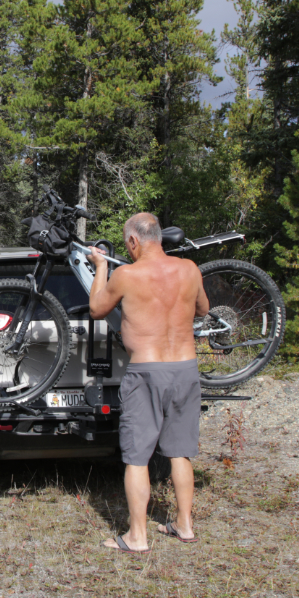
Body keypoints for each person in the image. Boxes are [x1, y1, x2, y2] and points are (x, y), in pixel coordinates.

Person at [87, 212, 210, 554]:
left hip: (147, 371)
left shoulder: (126, 274)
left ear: (132, 242)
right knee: (181, 452)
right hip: (185, 368)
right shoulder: (189, 269)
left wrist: (99, 266)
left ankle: (137, 537)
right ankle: (184, 525)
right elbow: (203, 309)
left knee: (138, 458)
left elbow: (97, 308)